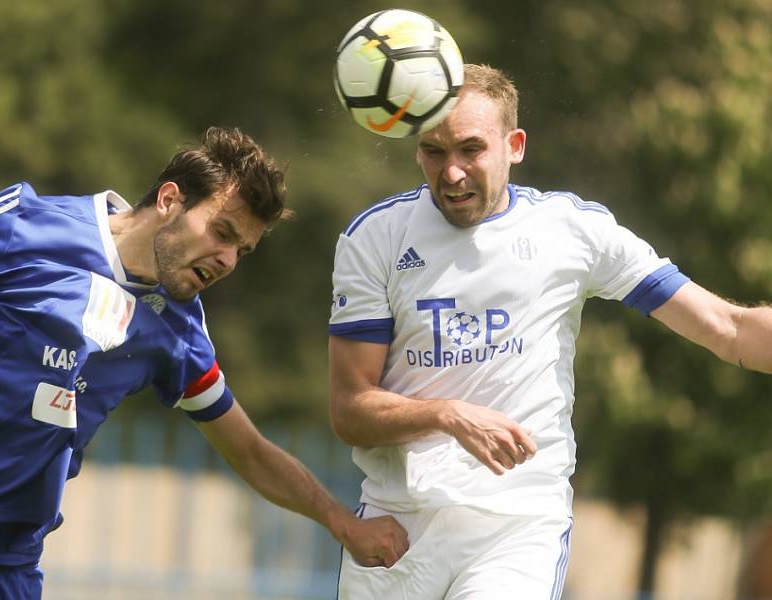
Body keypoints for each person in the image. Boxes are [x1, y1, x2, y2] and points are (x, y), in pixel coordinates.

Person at [328, 64, 772, 599]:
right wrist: (447, 415)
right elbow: (350, 410)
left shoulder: (571, 231)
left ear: (514, 145)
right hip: (396, 524)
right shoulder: (375, 239)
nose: (452, 172)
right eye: (434, 152)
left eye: (471, 149)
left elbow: (729, 327)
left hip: (516, 525)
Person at [0, 126, 408, 598]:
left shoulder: (178, 330)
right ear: (169, 200)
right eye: (222, 233)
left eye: (241, 250)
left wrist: (342, 522)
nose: (227, 260)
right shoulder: (25, 222)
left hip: (5, 566)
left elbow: (249, 451)